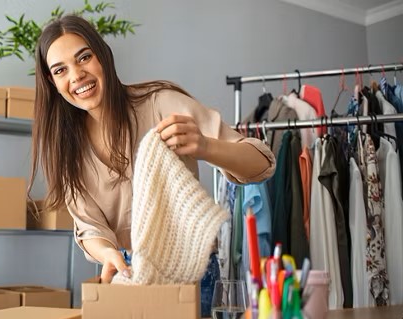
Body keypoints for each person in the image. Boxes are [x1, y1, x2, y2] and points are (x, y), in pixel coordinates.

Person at [29, 14, 276, 284]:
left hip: (191, 271)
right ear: (52, 83)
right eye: (60, 70)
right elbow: (90, 228)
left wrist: (206, 147)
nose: (76, 75)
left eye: (84, 57)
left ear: (103, 57)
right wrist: (108, 253)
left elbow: (263, 163)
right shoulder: (68, 146)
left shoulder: (161, 104)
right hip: (127, 274)